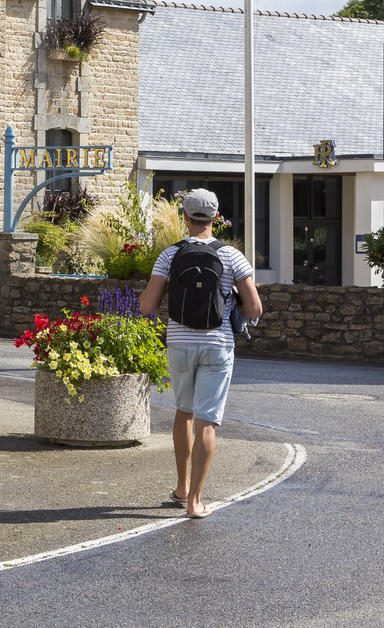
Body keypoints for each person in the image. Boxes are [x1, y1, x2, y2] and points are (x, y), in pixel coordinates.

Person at [138, 188, 264, 520]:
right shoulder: (232, 256)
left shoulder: (169, 255)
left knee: (184, 412)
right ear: (215, 218)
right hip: (218, 345)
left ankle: (181, 487)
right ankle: (194, 501)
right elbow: (255, 308)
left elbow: (147, 306)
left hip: (179, 342)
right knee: (208, 422)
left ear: (185, 217)